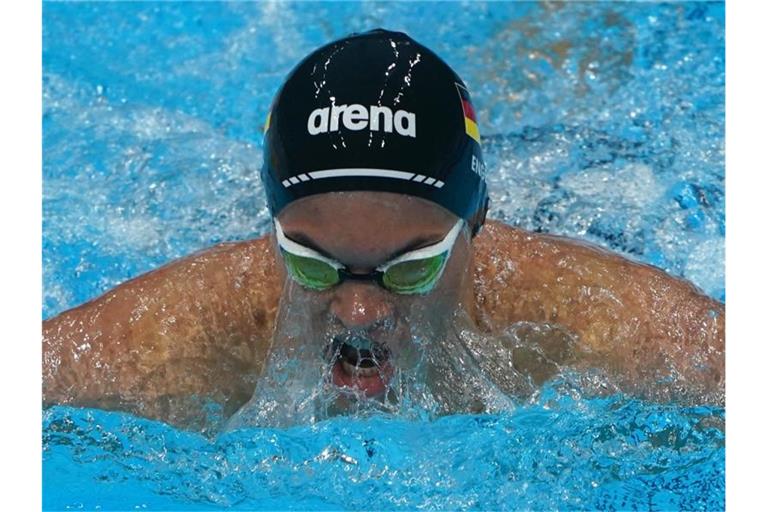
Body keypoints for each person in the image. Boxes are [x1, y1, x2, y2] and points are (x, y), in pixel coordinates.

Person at [42, 29, 724, 430]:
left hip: (582, 195)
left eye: (410, 266)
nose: (359, 310)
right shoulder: (188, 335)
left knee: (562, 75)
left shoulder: (578, 316)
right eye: (311, 262)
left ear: (476, 222)